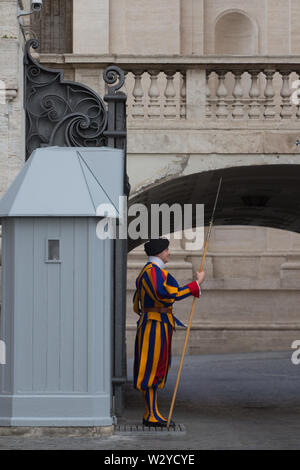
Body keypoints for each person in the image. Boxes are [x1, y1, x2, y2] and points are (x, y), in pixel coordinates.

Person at [133, 238, 205, 427]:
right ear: (158, 253)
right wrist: (195, 285)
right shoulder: (152, 272)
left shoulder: (155, 272)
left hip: (159, 323)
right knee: (151, 368)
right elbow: (166, 294)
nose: (169, 253)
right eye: (166, 250)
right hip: (154, 325)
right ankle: (151, 415)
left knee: (157, 367)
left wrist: (194, 286)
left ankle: (152, 412)